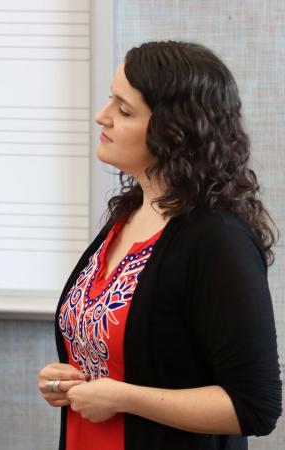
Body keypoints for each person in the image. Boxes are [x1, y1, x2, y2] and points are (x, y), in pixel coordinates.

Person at [37, 41, 281, 450]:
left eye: (124, 109)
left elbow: (255, 405)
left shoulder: (219, 239)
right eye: (110, 100)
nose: (103, 116)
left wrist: (122, 397)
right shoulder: (129, 212)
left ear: (175, 131)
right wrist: (64, 379)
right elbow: (116, 353)